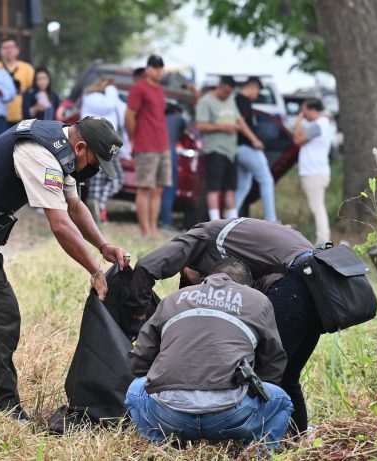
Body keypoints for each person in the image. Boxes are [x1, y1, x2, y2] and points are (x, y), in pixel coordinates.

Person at [0, 116, 131, 421]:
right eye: (95, 162)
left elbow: (74, 206)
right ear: (80, 147)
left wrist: (103, 246)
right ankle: (4, 406)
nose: (93, 170)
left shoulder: (60, 148)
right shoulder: (40, 153)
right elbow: (60, 224)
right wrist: (95, 270)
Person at [128, 218, 322, 433]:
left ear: (188, 262)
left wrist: (138, 317)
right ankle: (295, 433)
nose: (195, 284)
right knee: (288, 375)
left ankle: (240, 425)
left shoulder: (201, 236)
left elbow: (146, 267)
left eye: (188, 278)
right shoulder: (249, 244)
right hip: (318, 283)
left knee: (271, 372)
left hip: (296, 282)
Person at [126, 258, 292, 448]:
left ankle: (161, 446)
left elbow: (139, 362)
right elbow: (273, 364)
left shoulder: (173, 298)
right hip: (231, 416)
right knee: (282, 401)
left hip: (168, 415)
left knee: (135, 390)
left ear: (205, 278)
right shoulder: (258, 301)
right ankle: (257, 452)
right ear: (247, 286)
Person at [195, 76, 261, 222]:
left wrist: (253, 139)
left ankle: (232, 221)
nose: (227, 95)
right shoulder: (206, 102)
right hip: (215, 150)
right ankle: (214, 221)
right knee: (214, 188)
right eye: (225, 92)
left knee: (231, 188)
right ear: (219, 87)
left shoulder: (231, 100)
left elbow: (240, 121)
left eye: (229, 92)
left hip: (231, 151)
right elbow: (200, 125)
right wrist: (222, 127)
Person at [126, 55, 171, 237]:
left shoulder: (160, 89)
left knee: (159, 189)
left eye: (161, 67)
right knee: (144, 188)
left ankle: (153, 228)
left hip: (163, 145)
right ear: (148, 69)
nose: (159, 70)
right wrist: (134, 139)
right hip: (146, 145)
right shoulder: (139, 88)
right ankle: (145, 230)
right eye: (156, 67)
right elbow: (129, 116)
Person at [80, 77, 126, 222]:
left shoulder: (110, 100)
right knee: (98, 177)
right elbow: (109, 105)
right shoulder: (93, 97)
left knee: (117, 179)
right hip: (97, 141)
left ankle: (98, 203)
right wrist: (111, 90)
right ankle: (95, 206)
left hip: (110, 143)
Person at [234, 77, 277, 222]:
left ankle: (229, 219)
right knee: (266, 180)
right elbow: (240, 123)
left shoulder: (236, 101)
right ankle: (271, 219)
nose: (257, 94)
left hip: (238, 148)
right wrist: (254, 140)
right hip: (248, 147)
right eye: (258, 90)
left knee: (243, 186)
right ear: (252, 87)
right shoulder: (242, 101)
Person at [294, 98, 334, 245]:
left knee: (317, 207)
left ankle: (323, 239)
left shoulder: (318, 124)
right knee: (317, 206)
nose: (303, 114)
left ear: (312, 109)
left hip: (314, 172)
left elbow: (297, 140)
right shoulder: (322, 124)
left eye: (304, 111)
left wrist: (298, 121)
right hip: (317, 171)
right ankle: (323, 238)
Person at [159, 103, 186, 230]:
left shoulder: (159, 119)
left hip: (155, 154)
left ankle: (156, 220)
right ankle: (166, 221)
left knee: (155, 190)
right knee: (169, 190)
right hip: (170, 155)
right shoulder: (177, 119)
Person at [0, 38, 34, 126]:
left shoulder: (27, 68)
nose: (8, 50)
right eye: (5, 48)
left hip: (22, 117)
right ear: (0, 51)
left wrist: (22, 92)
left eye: (11, 47)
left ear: (17, 50)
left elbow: (33, 91)